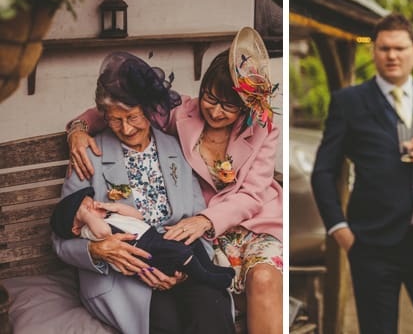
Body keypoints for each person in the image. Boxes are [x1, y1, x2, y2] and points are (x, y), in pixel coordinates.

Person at [67, 28, 283, 334]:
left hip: (250, 222)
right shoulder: (182, 113)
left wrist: (205, 221)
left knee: (262, 280)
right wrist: (77, 128)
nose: (214, 110)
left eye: (228, 105)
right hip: (200, 233)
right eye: (209, 97)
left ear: (245, 107)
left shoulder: (263, 128)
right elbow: (118, 108)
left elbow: (252, 194)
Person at [53, 52, 235, 334]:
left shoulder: (175, 148)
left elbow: (199, 220)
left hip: (179, 260)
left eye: (133, 116)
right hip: (123, 272)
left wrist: (184, 270)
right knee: (167, 323)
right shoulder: (91, 155)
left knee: (211, 311)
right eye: (115, 120)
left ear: (150, 110)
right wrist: (97, 250)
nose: (126, 128)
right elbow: (61, 234)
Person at [312, 13, 413, 334]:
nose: (392, 56)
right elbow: (323, 171)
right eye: (384, 49)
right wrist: (340, 229)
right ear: (373, 52)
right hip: (371, 245)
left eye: (399, 48)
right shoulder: (349, 102)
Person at [51, 186, 236, 290]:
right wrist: (87, 216)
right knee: (179, 252)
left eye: (91, 204)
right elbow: (104, 234)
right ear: (76, 227)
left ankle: (210, 267)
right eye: (85, 210)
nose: (92, 209)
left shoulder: (109, 216)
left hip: (153, 237)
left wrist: (114, 207)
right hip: (144, 249)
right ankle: (204, 277)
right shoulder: (88, 231)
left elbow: (137, 216)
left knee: (189, 240)